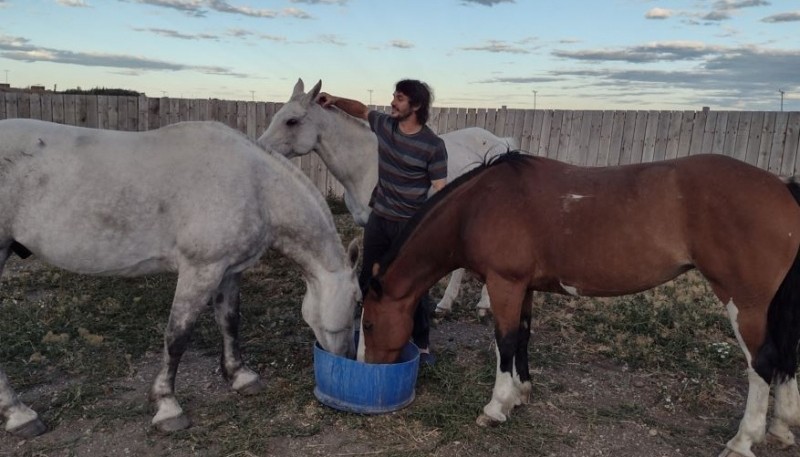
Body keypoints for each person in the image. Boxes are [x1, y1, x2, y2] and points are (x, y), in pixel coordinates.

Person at [318, 79, 447, 366]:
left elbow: (441, 190)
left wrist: (434, 230)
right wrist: (335, 98)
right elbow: (362, 110)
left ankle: (422, 345)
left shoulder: (433, 146)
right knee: (369, 279)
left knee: (415, 286)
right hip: (380, 219)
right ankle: (367, 331)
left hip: (410, 228)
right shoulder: (386, 126)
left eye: (399, 98)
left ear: (415, 106)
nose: (392, 102)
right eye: (394, 96)